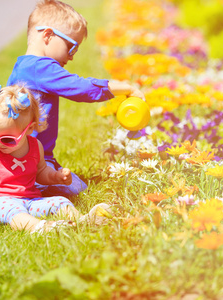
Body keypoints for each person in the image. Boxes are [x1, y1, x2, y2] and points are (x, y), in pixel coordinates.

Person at [7, 0, 145, 197]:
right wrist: (121, 87)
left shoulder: (24, 65)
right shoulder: (40, 68)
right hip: (31, 162)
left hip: (23, 157)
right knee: (76, 189)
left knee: (75, 185)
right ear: (47, 35)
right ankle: (35, 187)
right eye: (71, 47)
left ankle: (34, 182)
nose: (72, 56)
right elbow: (80, 88)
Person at [0, 82, 111, 233]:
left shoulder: (35, 146)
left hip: (28, 199)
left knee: (59, 201)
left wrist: (55, 177)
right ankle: (40, 228)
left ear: (29, 129)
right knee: (11, 210)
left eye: (8, 139)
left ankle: (82, 220)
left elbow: (40, 172)